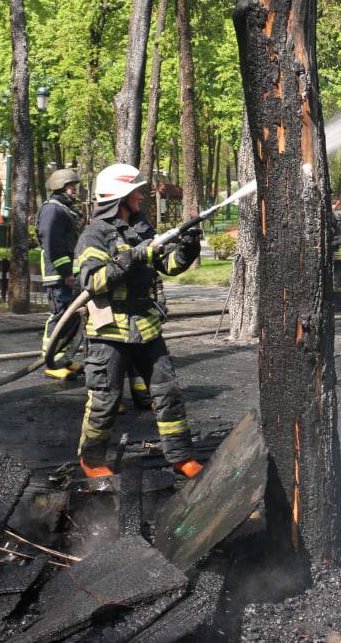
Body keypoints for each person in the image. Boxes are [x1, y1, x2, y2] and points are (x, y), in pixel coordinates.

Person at [74, 163, 203, 479]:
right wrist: (132, 256)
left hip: (146, 328)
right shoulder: (95, 234)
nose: (142, 196)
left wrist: (188, 247)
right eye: (137, 191)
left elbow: (168, 265)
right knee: (105, 399)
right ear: (120, 196)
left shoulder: (142, 228)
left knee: (167, 392)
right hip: (109, 332)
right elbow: (93, 282)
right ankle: (91, 460)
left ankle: (181, 456)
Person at [37, 169, 86, 380]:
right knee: (59, 317)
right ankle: (51, 362)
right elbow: (53, 244)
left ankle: (63, 359)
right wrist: (66, 272)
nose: (75, 190)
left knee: (71, 318)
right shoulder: (52, 211)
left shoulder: (64, 209)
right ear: (63, 187)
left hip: (69, 275)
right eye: (72, 187)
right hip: (58, 275)